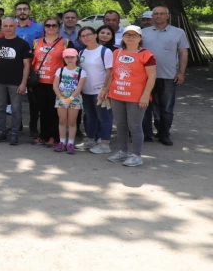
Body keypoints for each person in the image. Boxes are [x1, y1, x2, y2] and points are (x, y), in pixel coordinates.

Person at [103, 25, 157, 167]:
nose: (130, 37)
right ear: (123, 37)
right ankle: (122, 151)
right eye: (128, 35)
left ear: (140, 38)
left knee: (135, 126)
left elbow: (152, 76)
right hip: (117, 95)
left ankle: (136, 155)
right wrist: (105, 90)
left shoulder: (147, 55)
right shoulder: (117, 53)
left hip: (136, 97)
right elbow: (112, 74)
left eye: (134, 35)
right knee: (120, 125)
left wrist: (146, 95)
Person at [141, 6, 189, 146]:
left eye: (162, 14)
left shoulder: (178, 32)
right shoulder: (143, 33)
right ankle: (146, 134)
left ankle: (164, 134)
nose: (158, 16)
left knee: (166, 108)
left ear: (168, 16)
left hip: (168, 76)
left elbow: (183, 53)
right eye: (155, 14)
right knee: (145, 106)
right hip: (146, 77)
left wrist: (181, 72)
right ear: (152, 16)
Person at [0, 17, 31, 145]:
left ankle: (14, 134)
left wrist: (24, 83)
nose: (8, 28)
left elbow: (27, 65)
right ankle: (1, 132)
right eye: (5, 26)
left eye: (11, 26)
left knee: (16, 109)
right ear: (2, 27)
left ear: (15, 27)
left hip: (16, 82)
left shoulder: (22, 44)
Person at [30, 17, 72, 146]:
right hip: (39, 81)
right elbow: (33, 61)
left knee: (54, 110)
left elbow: (71, 62)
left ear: (59, 27)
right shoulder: (36, 42)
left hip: (56, 82)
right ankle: (44, 135)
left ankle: (55, 136)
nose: (51, 28)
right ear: (44, 27)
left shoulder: (65, 42)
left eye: (54, 25)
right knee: (42, 109)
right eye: (48, 25)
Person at [75, 26, 114, 154]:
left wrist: (105, 90)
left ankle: (104, 144)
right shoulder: (81, 53)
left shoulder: (105, 51)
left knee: (104, 118)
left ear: (95, 35)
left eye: (88, 34)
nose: (86, 38)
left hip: (100, 91)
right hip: (86, 91)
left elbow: (110, 72)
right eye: (83, 36)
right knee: (90, 117)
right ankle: (90, 140)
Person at [14, 1, 44, 138]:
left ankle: (33, 128)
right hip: (13, 67)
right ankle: (17, 125)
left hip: (33, 67)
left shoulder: (39, 27)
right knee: (15, 98)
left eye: (25, 9)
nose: (22, 12)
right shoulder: (11, 26)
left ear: (29, 11)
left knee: (34, 101)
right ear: (15, 12)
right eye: (19, 9)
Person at [52, 48, 87, 154]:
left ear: (77, 58)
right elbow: (55, 85)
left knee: (72, 122)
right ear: (64, 58)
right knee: (62, 121)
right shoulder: (60, 70)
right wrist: (62, 98)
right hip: (61, 98)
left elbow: (79, 87)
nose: (70, 59)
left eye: (72, 57)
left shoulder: (81, 71)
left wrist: (70, 99)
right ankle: (62, 142)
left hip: (75, 99)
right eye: (67, 57)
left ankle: (70, 143)